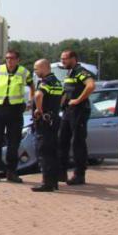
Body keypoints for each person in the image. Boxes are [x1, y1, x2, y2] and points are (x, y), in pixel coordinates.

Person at [0, 49, 35, 183]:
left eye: (12, 58)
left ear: (18, 60)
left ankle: (11, 172)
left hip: (15, 111)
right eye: (7, 58)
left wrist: (30, 101)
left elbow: (32, 86)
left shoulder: (24, 72)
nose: (9, 61)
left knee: (13, 143)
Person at [58, 50, 96, 185]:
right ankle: (61, 173)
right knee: (62, 140)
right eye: (61, 59)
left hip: (79, 110)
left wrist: (78, 100)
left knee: (78, 142)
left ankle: (79, 175)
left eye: (65, 59)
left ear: (73, 58)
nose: (62, 61)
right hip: (68, 111)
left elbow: (91, 85)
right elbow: (67, 91)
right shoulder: (69, 72)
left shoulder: (80, 71)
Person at [31, 59, 63, 192]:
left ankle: (46, 183)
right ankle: (53, 181)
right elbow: (63, 97)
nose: (35, 71)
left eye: (36, 69)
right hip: (54, 119)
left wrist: (38, 110)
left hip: (44, 122)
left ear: (44, 68)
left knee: (43, 152)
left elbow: (38, 95)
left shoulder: (45, 82)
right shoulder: (57, 81)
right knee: (52, 151)